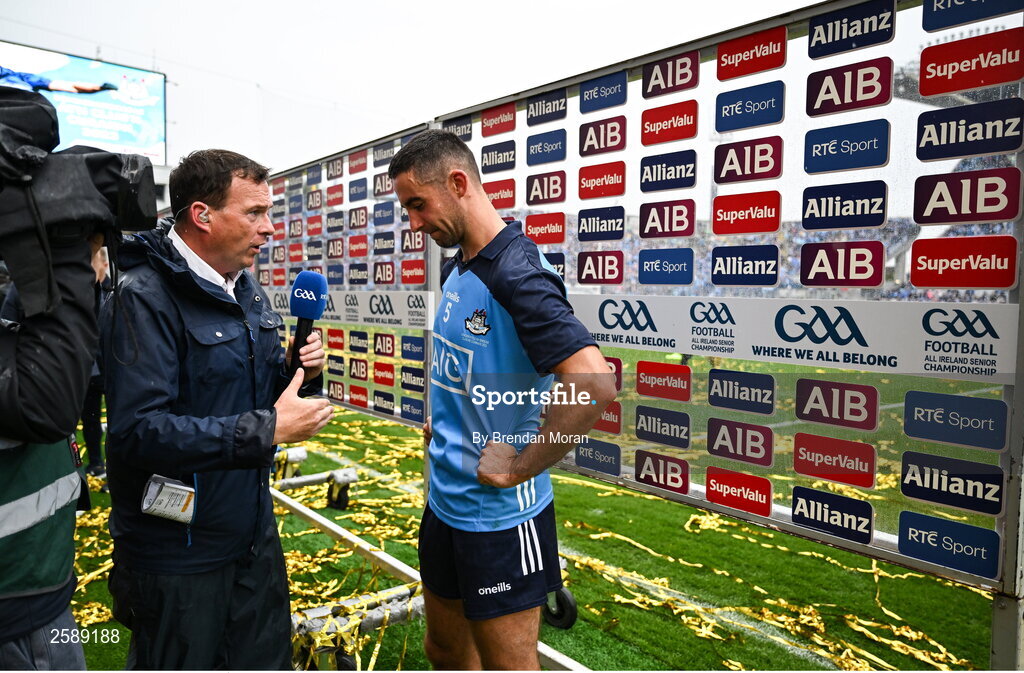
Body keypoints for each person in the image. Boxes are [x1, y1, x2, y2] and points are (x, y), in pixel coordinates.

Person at [389, 130, 617, 670]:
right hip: (443, 504)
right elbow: (473, 369)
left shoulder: (518, 274)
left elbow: (594, 383)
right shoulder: (459, 263)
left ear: (459, 183)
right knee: (443, 651)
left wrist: (518, 467)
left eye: (417, 205)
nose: (414, 224)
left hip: (499, 520)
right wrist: (446, 419)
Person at [100, 149, 333, 670]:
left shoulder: (245, 288)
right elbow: (139, 432)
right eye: (254, 213)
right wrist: (268, 429)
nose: (269, 228)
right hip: (177, 554)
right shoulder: (142, 296)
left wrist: (295, 369)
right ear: (202, 215)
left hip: (251, 539)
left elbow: (237, 391)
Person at [81, 246, 111, 477]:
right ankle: (96, 462)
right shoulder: (81, 293)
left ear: (104, 264)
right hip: (89, 370)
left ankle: (115, 471)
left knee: (119, 422)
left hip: (112, 368)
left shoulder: (119, 290)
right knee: (90, 418)